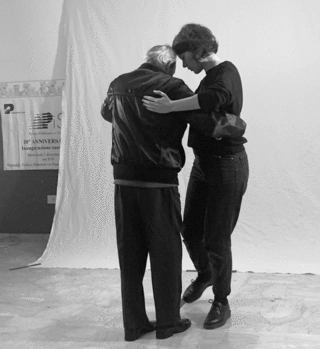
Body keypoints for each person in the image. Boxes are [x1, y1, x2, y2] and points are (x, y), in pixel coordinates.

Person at [101, 44, 245, 341]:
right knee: (165, 253)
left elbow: (107, 113)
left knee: (130, 256)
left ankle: (134, 325)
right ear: (168, 66)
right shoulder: (171, 86)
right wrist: (236, 125)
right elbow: (205, 120)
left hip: (123, 182)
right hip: (159, 182)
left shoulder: (118, 83)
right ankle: (168, 322)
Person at [142, 23, 249, 330]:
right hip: (204, 164)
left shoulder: (226, 72)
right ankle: (206, 274)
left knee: (216, 238)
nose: (184, 65)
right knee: (189, 230)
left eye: (184, 57)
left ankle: (222, 300)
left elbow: (215, 98)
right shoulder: (207, 78)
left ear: (197, 50)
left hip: (228, 165)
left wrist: (172, 106)